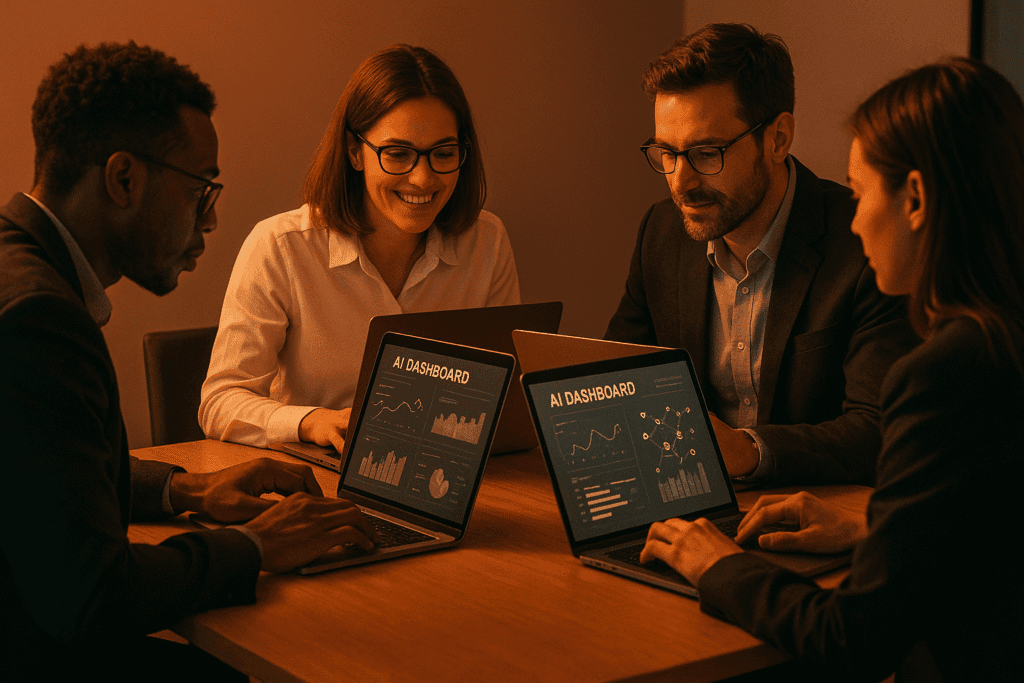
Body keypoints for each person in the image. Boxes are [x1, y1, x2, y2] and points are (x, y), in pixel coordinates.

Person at [641, 57, 1024, 681]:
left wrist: (718, 566)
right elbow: (996, 526)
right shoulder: (1004, 342)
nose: (853, 218)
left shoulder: (945, 373)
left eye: (862, 190)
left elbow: (853, 639)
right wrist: (875, 526)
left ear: (917, 199)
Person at [0, 42, 375, 680]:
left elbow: (50, 484)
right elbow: (92, 594)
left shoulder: (19, 267)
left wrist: (187, 488)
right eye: (201, 190)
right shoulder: (40, 320)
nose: (211, 220)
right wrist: (258, 545)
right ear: (124, 178)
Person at [605, 24, 916, 486]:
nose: (679, 182)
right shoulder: (661, 232)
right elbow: (616, 377)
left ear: (778, 138)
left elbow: (878, 430)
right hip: (691, 502)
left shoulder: (865, 242)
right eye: (666, 153)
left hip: (819, 512)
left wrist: (748, 451)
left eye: (707, 152)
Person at [200, 44, 521, 453]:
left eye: (443, 154)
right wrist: (309, 422)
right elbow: (218, 403)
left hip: (439, 468)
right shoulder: (280, 247)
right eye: (398, 154)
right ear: (355, 152)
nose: (422, 179)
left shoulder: (487, 241)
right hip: (316, 475)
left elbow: (505, 397)